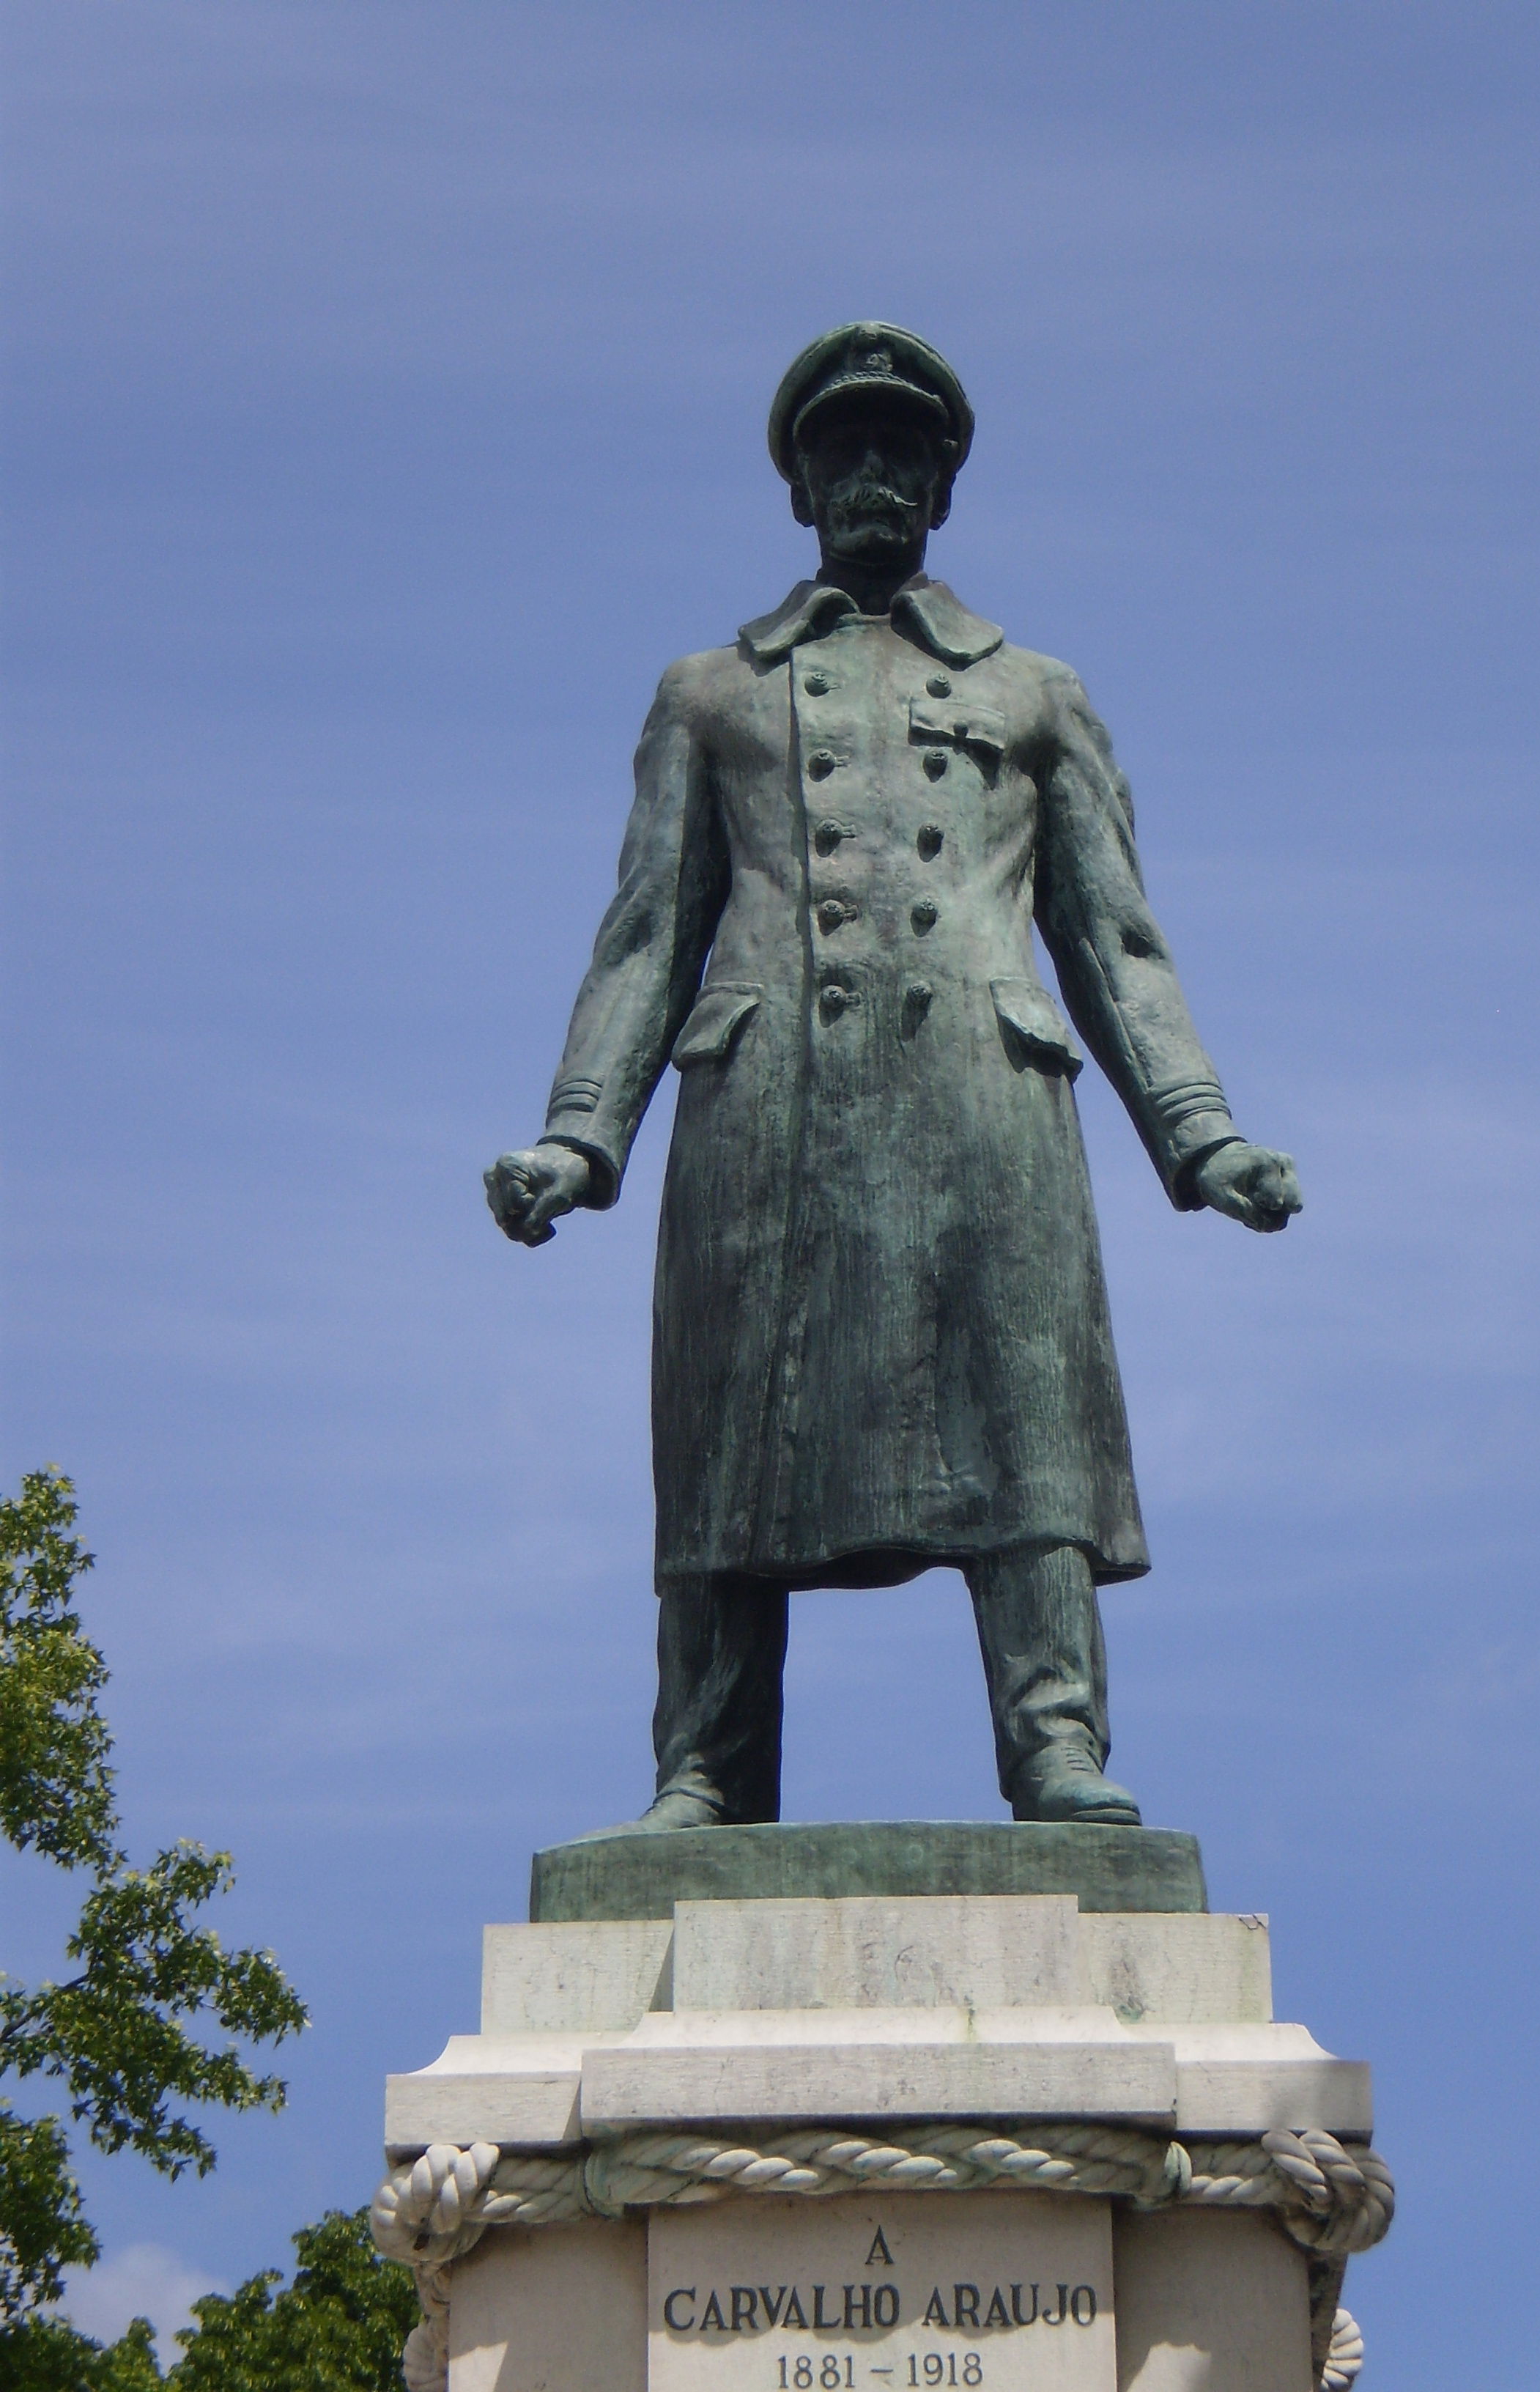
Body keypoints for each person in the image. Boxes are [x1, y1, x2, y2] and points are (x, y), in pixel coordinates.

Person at [486, 324, 1300, 1830]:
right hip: (767, 1107)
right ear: (799, 489)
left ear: (941, 483)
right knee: (731, 1439)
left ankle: (1057, 1745)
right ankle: (707, 1769)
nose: (872, 475)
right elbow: (647, 933)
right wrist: (577, 1138)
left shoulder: (1035, 694)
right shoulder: (710, 693)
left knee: (1020, 1419)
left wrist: (1203, 1133)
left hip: (982, 1099)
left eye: (901, 453)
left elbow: (1113, 933)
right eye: (841, 453)